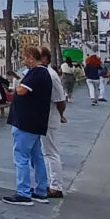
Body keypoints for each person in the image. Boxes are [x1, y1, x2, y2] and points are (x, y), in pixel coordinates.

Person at [3, 45, 57, 206]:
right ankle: (41, 191)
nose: (23, 60)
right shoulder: (44, 73)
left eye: (24, 57)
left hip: (26, 122)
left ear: (31, 58)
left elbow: (21, 91)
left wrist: (18, 86)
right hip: (36, 122)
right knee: (37, 157)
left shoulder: (36, 72)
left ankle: (23, 193)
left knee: (21, 158)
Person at [40, 57, 69, 198]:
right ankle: (51, 183)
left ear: (44, 58)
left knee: (50, 152)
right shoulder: (47, 73)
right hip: (46, 117)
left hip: (49, 117)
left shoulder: (51, 76)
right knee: (47, 151)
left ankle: (55, 186)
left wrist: (60, 114)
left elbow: (60, 100)